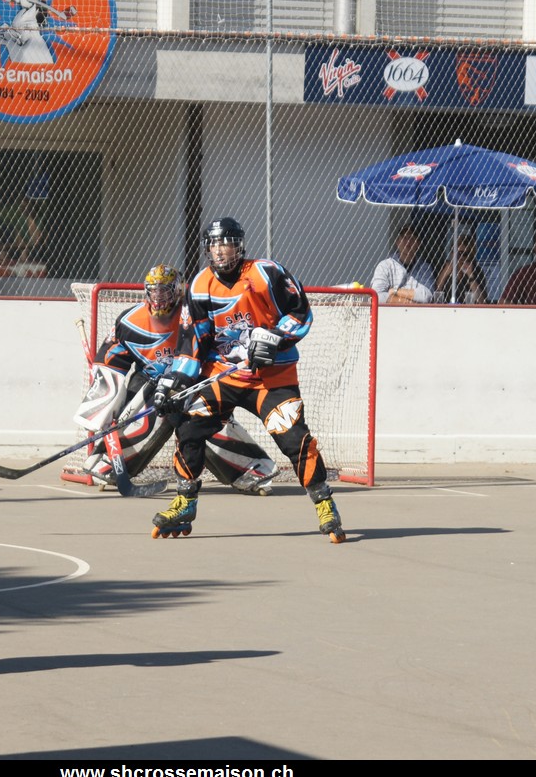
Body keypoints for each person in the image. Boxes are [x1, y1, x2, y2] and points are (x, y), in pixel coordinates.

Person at [148, 217, 347, 543]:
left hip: (272, 377)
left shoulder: (266, 273)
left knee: (294, 439)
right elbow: (193, 341)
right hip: (223, 375)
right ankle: (185, 501)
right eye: (214, 245)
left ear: (239, 246)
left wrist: (275, 338)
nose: (219, 251)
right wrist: (173, 382)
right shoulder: (200, 285)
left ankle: (324, 502)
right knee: (188, 424)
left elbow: (300, 312)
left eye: (226, 244)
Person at [69, 264, 279, 496]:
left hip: (192, 383)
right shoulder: (130, 321)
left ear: (178, 291)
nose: (158, 297)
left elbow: (221, 348)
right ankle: (109, 463)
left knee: (200, 417)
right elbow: (109, 362)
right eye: (154, 290)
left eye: (165, 291)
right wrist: (104, 405)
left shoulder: (198, 315)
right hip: (149, 382)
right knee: (145, 408)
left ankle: (251, 468)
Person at [434, 228, 490, 303]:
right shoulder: (444, 267)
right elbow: (436, 294)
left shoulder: (476, 271)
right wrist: (444, 274)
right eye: (454, 252)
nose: (458, 257)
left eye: (462, 253)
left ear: (470, 255)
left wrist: (470, 276)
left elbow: (481, 301)